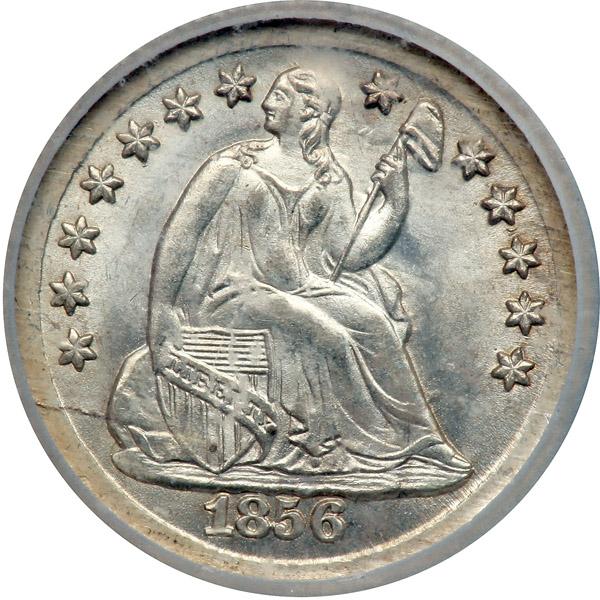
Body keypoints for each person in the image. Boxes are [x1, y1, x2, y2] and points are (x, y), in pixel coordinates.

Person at [108, 66, 472, 484]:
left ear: (310, 110)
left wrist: (396, 201)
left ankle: (421, 440)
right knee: (326, 334)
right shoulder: (234, 165)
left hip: (302, 288)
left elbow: (351, 255)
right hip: (231, 293)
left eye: (280, 96)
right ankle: (352, 445)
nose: (266, 103)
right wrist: (162, 309)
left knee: (374, 325)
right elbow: (181, 234)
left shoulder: (329, 177)